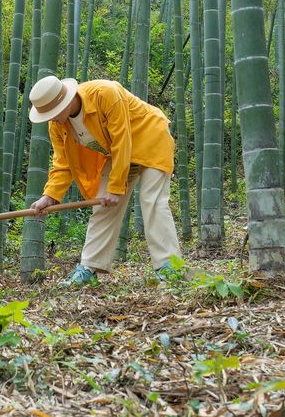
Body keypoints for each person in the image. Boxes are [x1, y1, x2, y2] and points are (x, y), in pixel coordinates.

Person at [29, 75, 182, 286]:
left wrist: (116, 187)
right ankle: (89, 268)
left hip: (150, 138)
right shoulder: (58, 125)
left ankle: (169, 266)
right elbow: (63, 163)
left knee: (152, 201)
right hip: (116, 154)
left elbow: (122, 139)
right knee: (103, 205)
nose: (51, 118)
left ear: (66, 101)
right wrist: (50, 196)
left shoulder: (106, 93)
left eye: (53, 113)